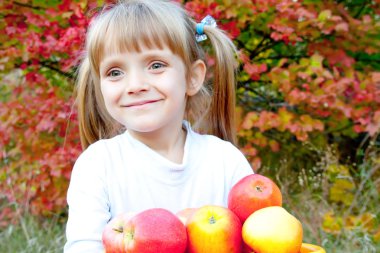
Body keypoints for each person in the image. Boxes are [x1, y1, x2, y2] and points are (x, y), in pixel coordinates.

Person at [64, 0, 253, 252]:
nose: (135, 85)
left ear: (192, 77)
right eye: (115, 72)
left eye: (156, 65)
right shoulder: (97, 166)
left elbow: (259, 238)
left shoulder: (226, 162)